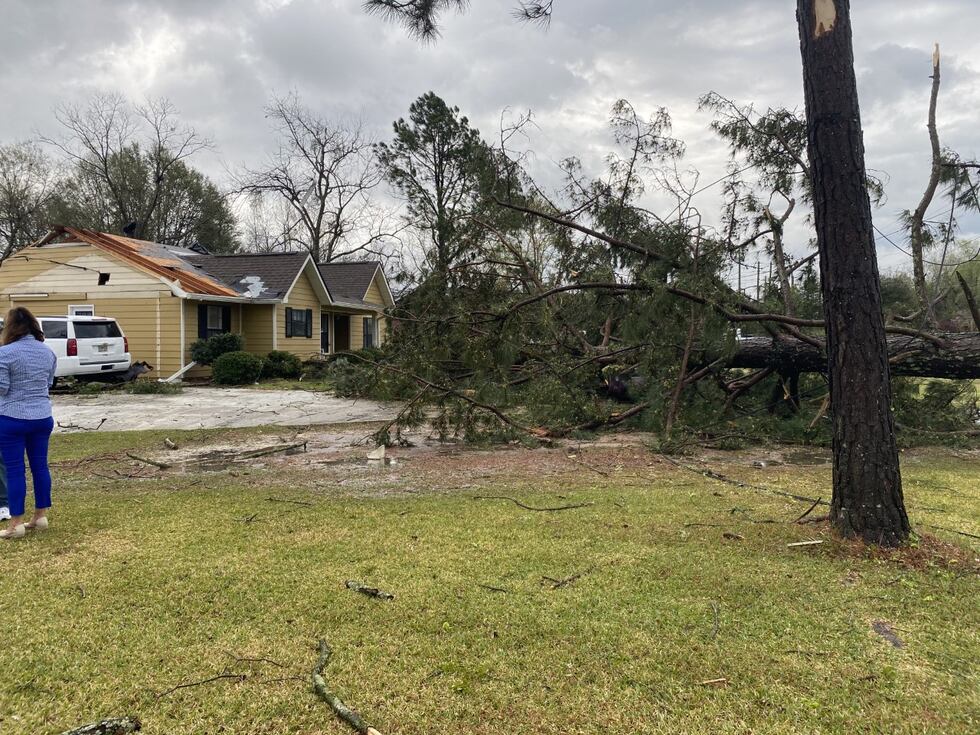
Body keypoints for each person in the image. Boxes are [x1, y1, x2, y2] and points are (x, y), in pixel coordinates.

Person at [0, 307, 57, 539]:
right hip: (42, 417)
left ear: (10, 327)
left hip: (12, 418)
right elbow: (49, 383)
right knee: (40, 467)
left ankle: (16, 524)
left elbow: (2, 388)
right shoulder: (48, 353)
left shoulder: (5, 353)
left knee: (15, 470)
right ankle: (40, 516)